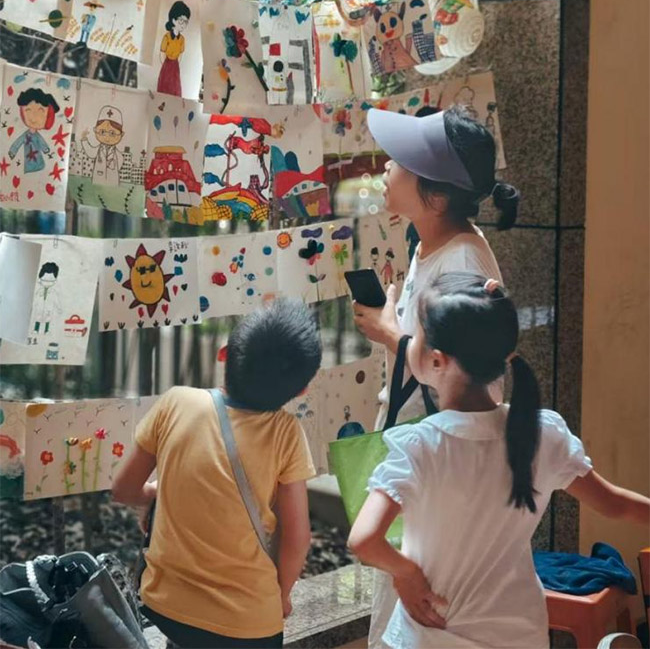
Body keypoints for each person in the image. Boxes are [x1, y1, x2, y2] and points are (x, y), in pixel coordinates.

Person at [349, 273, 650, 649]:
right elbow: (615, 504)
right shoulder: (543, 434)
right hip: (519, 633)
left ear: (437, 360)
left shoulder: (421, 445)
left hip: (429, 635)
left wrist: (405, 573)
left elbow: (364, 540)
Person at [354, 106, 519, 647]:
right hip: (421, 450)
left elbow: (464, 374)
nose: (386, 166)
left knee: (424, 609)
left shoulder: (463, 262)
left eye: (400, 161)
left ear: (438, 197)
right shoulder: (429, 244)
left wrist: (389, 334)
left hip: (442, 464)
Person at [112, 299, 322, 648]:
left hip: (166, 607)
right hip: (246, 624)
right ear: (302, 389)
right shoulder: (286, 433)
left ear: (224, 355)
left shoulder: (175, 402)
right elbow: (297, 537)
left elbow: (123, 489)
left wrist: (153, 493)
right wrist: (282, 595)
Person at [9, 88, 58, 173]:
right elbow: (18, 142)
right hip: (28, 161)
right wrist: (13, 151)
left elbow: (41, 141)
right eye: (28, 110)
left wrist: (45, 148)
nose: (33, 118)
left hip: (38, 160)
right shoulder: (25, 135)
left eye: (41, 111)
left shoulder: (37, 136)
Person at [81, 105, 124, 186]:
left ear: (121, 135)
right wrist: (84, 139)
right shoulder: (99, 149)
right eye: (102, 132)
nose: (107, 137)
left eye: (112, 133)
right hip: (97, 180)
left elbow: (121, 161)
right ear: (95, 130)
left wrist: (113, 164)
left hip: (113, 183)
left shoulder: (118, 154)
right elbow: (91, 153)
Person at [157, 0, 191, 97]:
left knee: (175, 88)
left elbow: (180, 54)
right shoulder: (167, 37)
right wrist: (166, 66)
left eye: (186, 22)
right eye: (181, 21)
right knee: (164, 87)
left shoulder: (182, 39)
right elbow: (162, 53)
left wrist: (175, 64)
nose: (183, 24)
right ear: (173, 20)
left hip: (175, 66)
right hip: (167, 64)